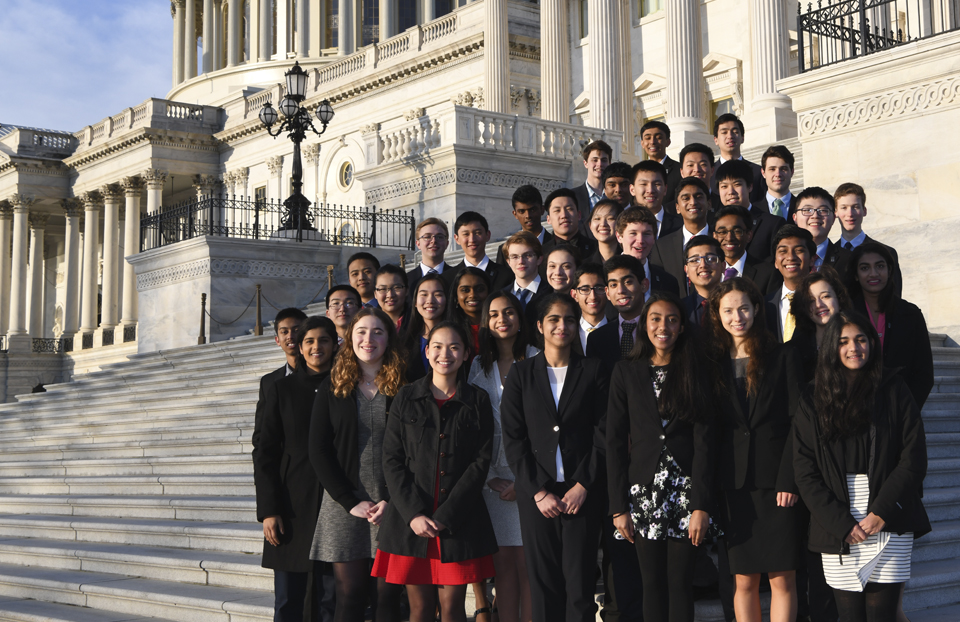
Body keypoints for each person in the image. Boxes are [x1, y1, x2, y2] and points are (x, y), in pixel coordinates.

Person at [793, 312, 930, 622]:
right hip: (836, 520)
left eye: (860, 339)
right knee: (849, 615)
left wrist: (881, 511)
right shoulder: (811, 400)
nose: (854, 347)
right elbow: (805, 471)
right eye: (843, 341)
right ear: (830, 348)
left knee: (882, 615)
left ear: (872, 343)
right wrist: (840, 522)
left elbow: (913, 458)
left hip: (888, 514)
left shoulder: (895, 389)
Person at [372, 321, 498, 622]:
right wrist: (414, 514)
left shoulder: (477, 400)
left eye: (454, 347)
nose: (446, 354)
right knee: (420, 609)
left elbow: (480, 463)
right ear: (427, 352)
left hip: (457, 522)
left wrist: (446, 516)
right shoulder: (406, 396)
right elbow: (392, 459)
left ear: (466, 354)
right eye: (438, 347)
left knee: (453, 609)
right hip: (410, 523)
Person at [607, 291, 720, 622]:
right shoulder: (625, 372)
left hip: (686, 491)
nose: (664, 326)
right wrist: (618, 507)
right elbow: (614, 443)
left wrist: (701, 505)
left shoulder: (697, 370)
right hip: (643, 492)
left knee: (680, 582)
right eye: (655, 318)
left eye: (672, 319)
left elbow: (705, 442)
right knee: (652, 583)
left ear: (683, 327)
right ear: (644, 325)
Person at [501, 293, 610, 622]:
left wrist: (583, 484)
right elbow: (514, 438)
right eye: (554, 319)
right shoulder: (521, 374)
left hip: (582, 495)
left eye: (568, 320)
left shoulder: (594, 371)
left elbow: (604, 433)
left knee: (580, 587)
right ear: (539, 326)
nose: (562, 326)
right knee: (544, 586)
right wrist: (537, 490)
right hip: (538, 497)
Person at [707, 278, 804, 622]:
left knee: (782, 577)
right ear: (717, 315)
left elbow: (798, 423)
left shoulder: (782, 356)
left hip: (777, 484)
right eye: (729, 310)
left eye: (744, 308)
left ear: (757, 309)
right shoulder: (711, 363)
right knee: (743, 580)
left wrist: (789, 480)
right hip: (733, 487)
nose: (738, 317)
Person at [308, 308, 406, 622]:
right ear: (350, 337)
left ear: (388, 338)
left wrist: (391, 500)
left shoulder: (406, 388)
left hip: (392, 506)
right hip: (344, 504)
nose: (369, 338)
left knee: (387, 598)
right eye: (362, 330)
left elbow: (417, 451)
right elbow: (318, 450)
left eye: (378, 331)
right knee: (348, 597)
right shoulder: (332, 386)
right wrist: (351, 501)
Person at [254, 316, 339, 622]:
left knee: (332, 599)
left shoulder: (347, 386)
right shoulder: (281, 389)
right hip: (291, 505)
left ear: (335, 344)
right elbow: (265, 453)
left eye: (324, 340)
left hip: (336, 503)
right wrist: (269, 510)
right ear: (300, 348)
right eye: (310, 341)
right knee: (289, 599)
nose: (317, 347)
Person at [468, 291, 539, 622]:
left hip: (532, 480)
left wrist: (525, 482)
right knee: (503, 571)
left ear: (520, 318)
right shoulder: (477, 367)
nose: (502, 319)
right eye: (494, 314)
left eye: (509, 312)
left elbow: (548, 428)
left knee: (528, 568)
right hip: (491, 483)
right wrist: (489, 479)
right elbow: (470, 429)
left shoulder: (539, 359)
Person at [847, 243, 934, 408]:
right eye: (865, 268)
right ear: (856, 275)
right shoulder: (846, 314)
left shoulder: (911, 314)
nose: (873, 273)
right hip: (854, 411)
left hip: (901, 411)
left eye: (880, 266)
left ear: (889, 270)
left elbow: (924, 373)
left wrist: (906, 411)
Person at [834, 183, 902, 297]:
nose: (850, 214)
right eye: (844, 208)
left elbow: (895, 298)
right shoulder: (830, 253)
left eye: (855, 207)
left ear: (864, 211)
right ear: (836, 212)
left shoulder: (887, 253)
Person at [650, 177, 712, 296]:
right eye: (686, 198)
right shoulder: (662, 246)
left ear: (709, 203)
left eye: (698, 197)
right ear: (677, 207)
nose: (693, 202)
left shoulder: (721, 240)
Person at [715, 160, 785, 263]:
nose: (730, 192)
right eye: (724, 186)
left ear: (750, 186)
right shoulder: (713, 225)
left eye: (737, 184)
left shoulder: (772, 224)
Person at [790, 268, 853, 381]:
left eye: (825, 296)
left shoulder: (857, 343)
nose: (819, 304)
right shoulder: (794, 351)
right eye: (811, 300)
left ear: (839, 299)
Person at [586, 255, 648, 367]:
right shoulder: (597, 339)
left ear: (644, 285)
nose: (620, 290)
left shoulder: (659, 330)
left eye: (628, 282)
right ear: (608, 293)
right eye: (613, 285)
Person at [712, 205, 781, 294]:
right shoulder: (707, 270)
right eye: (722, 232)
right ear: (715, 236)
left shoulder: (768, 273)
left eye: (737, 231)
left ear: (749, 235)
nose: (729, 238)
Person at [614, 207, 681, 299]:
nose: (640, 240)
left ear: (654, 238)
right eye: (633, 233)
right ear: (619, 237)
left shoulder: (668, 282)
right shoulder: (603, 277)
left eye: (646, 234)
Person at [767, 225, 816, 343]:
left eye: (799, 250)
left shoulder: (823, 302)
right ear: (776, 262)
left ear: (812, 259)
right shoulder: (765, 305)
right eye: (783, 251)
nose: (790, 257)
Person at [789, 187, 851, 277]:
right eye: (807, 210)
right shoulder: (786, 259)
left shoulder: (848, 260)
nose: (815, 216)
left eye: (823, 210)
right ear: (795, 218)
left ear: (833, 218)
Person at [401, 273, 448, 382]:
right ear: (415, 302)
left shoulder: (458, 338)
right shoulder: (405, 342)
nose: (430, 301)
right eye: (424, 294)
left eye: (438, 294)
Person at [711, 113, 765, 203]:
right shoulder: (709, 174)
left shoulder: (757, 172)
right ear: (716, 140)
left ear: (742, 138)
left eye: (735, 132)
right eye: (724, 132)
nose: (730, 136)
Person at [450, 211, 510, 290]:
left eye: (478, 233)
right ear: (457, 239)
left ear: (487, 235)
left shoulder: (507, 275)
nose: (472, 240)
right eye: (466, 234)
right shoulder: (449, 278)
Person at [502, 231, 549, 328]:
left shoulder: (551, 292)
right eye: (514, 257)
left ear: (539, 259)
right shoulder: (501, 296)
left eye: (527, 255)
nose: (521, 262)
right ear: (508, 262)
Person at [497, 185, 552, 265]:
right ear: (515, 214)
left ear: (542, 210)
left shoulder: (557, 245)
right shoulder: (505, 250)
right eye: (522, 211)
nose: (528, 216)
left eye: (532, 210)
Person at [629, 160, 682, 238]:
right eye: (644, 184)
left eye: (657, 184)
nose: (650, 190)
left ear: (665, 189)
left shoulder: (681, 226)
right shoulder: (622, 225)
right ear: (632, 190)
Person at [447, 267, 492, 356]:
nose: (472, 295)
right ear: (456, 296)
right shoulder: (449, 331)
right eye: (465, 290)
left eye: (479, 289)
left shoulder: (500, 326)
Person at [680, 235, 724, 327]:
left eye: (711, 258)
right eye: (695, 260)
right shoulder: (679, 309)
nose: (703, 265)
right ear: (686, 270)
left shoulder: (735, 305)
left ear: (723, 266)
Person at [541, 188, 596, 261]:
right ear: (548, 219)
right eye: (557, 210)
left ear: (579, 215)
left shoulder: (596, 249)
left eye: (569, 209)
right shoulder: (541, 254)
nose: (564, 215)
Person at [408, 218, 457, 296]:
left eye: (439, 237)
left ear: (447, 243)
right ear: (418, 244)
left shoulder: (457, 278)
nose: (433, 241)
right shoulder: (407, 280)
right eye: (427, 237)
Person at [639, 120, 682, 204]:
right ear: (642, 143)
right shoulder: (638, 172)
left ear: (668, 142)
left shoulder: (680, 171)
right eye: (648, 138)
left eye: (658, 137)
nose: (652, 142)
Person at [571, 263, 608, 356]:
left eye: (599, 288)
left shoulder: (620, 333)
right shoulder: (567, 334)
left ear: (607, 292)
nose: (593, 296)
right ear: (574, 295)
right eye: (585, 289)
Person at [572, 140, 613, 224]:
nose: (600, 164)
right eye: (595, 160)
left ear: (609, 164)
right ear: (585, 163)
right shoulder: (573, 196)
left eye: (604, 160)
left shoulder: (615, 196)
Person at [677, 143, 722, 212]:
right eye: (690, 165)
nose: (697, 169)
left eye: (703, 164)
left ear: (712, 170)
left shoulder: (723, 205)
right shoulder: (669, 210)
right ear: (681, 172)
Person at [760, 146, 796, 218]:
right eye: (772, 169)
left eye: (783, 169)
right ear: (763, 173)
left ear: (792, 172)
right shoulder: (752, 211)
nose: (778, 174)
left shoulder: (803, 209)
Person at [585, 199, 623, 265]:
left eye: (610, 218)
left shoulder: (629, 261)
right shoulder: (585, 265)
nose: (603, 224)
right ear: (590, 226)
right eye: (597, 219)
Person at [374, 264, 409, 330]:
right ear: (375, 294)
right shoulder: (370, 323)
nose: (390, 295)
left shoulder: (419, 322)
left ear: (407, 290)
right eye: (383, 289)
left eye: (396, 288)